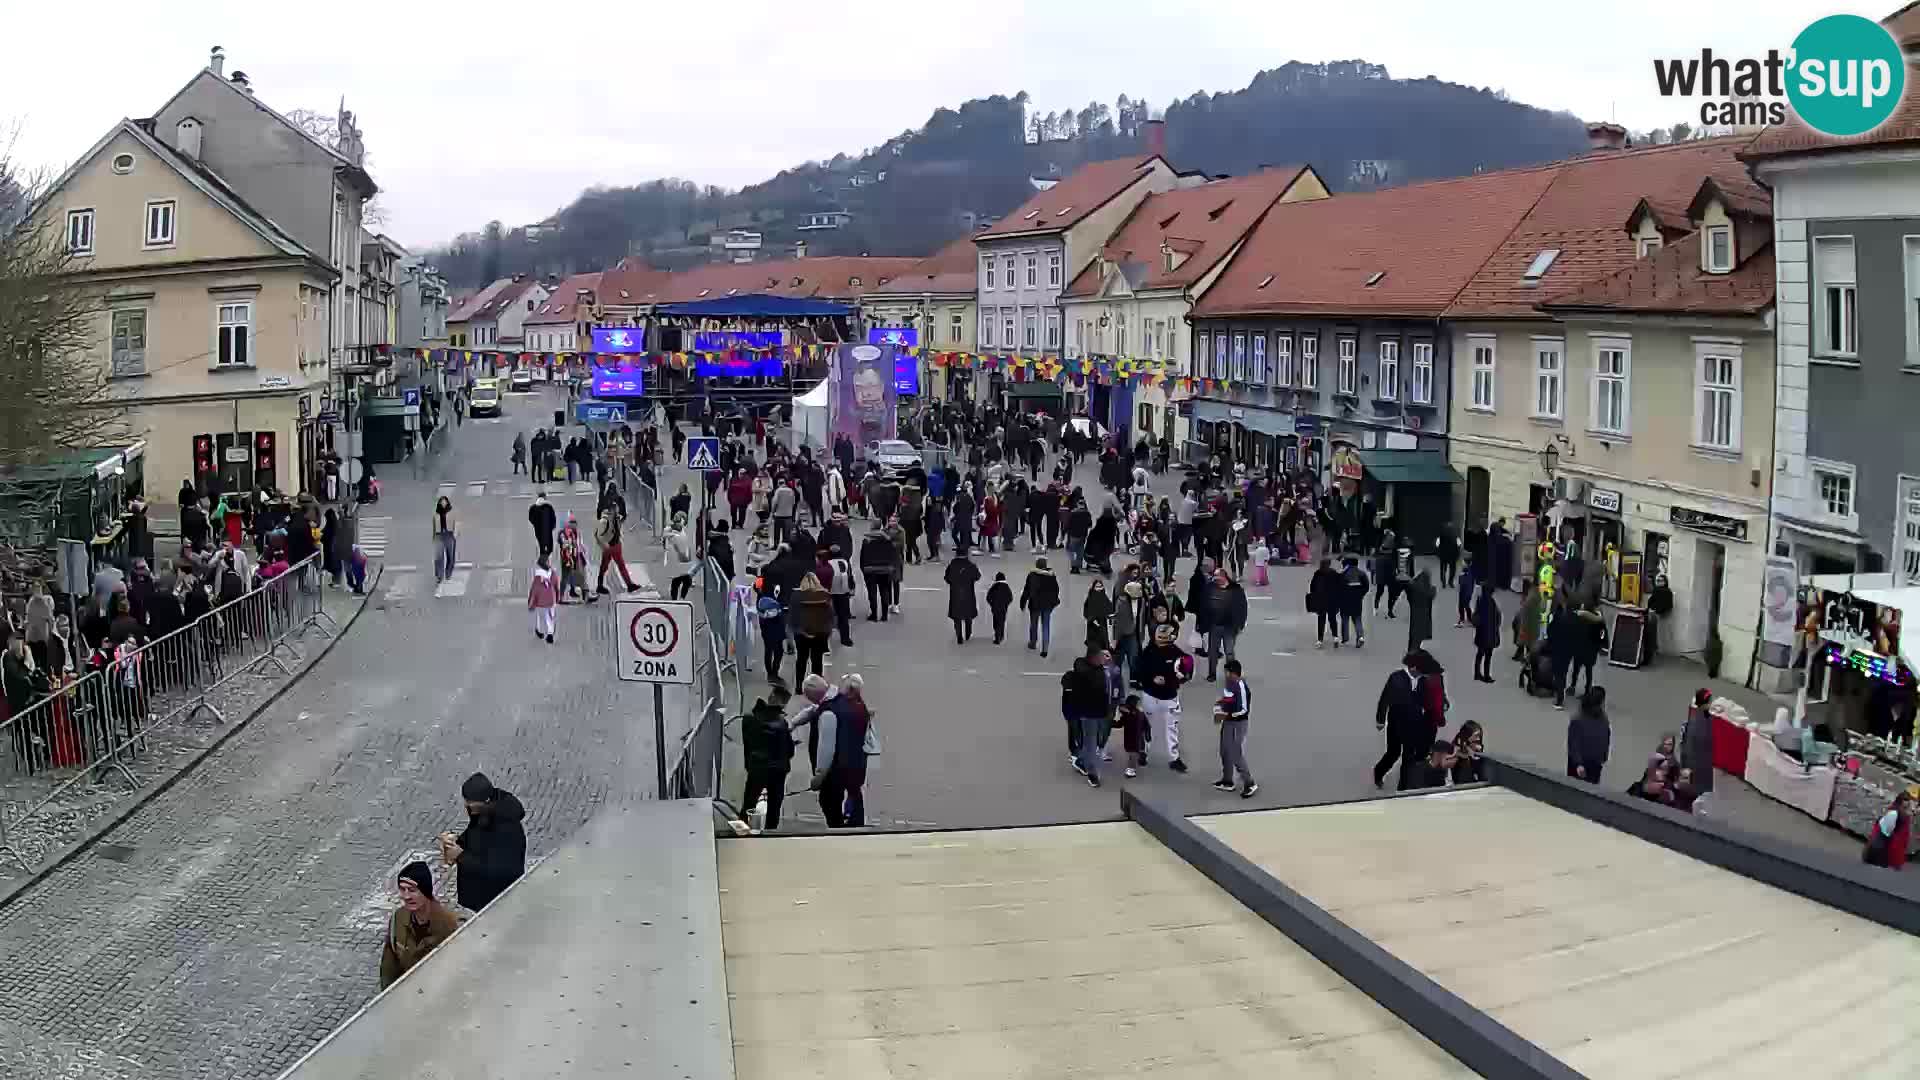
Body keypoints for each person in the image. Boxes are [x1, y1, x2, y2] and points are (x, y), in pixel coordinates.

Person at [440, 773, 526, 913]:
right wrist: (457, 841)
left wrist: (461, 856)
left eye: (470, 801)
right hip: (479, 898)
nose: (466, 804)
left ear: (484, 800)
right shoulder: (482, 812)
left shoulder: (507, 828)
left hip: (497, 902)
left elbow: (500, 870)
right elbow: (474, 836)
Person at [379, 861, 462, 989]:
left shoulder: (448, 927)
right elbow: (389, 965)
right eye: (402, 889)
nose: (406, 896)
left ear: (425, 891)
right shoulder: (398, 918)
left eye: (412, 890)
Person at [801, 673, 868, 828]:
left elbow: (827, 751)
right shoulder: (849, 702)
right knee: (855, 798)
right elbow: (813, 709)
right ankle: (857, 829)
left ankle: (839, 832)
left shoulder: (827, 714)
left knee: (830, 804)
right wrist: (795, 722)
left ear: (812, 697)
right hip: (856, 763)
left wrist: (818, 777)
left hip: (835, 773)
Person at [1135, 621, 1192, 772]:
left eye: (1163, 636)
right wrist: (1151, 679)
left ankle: (1174, 759)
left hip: (1169, 697)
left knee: (1171, 728)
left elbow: (1186, 672)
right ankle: (1143, 752)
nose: (1159, 639)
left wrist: (1176, 679)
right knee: (1146, 726)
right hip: (1150, 695)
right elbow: (1139, 672)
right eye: (1158, 636)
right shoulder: (1148, 652)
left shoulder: (1177, 654)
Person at [742, 685, 797, 832]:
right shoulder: (782, 723)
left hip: (756, 768)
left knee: (749, 802)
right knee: (774, 806)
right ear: (781, 702)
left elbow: (747, 744)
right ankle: (770, 834)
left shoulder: (749, 718)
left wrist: (749, 764)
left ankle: (743, 830)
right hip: (777, 771)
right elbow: (789, 751)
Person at [1373, 653, 1424, 790]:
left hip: (1413, 725)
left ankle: (1404, 786)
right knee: (1393, 753)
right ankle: (1378, 772)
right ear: (1412, 667)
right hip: (1396, 725)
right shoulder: (1396, 678)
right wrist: (1380, 720)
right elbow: (1385, 699)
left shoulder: (1422, 679)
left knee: (1409, 756)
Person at [1063, 645, 1111, 787]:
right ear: (1093, 658)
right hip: (1089, 713)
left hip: (1103, 712)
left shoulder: (1102, 670)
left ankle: (1081, 760)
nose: (1104, 659)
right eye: (1101, 656)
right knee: (1091, 743)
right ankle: (1093, 774)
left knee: (1099, 739)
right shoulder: (1088, 673)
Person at [1211, 658, 1258, 798]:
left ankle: (1249, 783)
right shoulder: (1229, 683)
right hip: (1228, 721)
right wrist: (1219, 707)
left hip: (1238, 723)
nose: (1225, 674)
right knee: (1224, 750)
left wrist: (1228, 713)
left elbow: (1244, 709)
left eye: (1227, 672)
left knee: (1235, 753)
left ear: (1234, 673)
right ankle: (1227, 781)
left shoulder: (1241, 686)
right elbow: (1228, 700)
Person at [1206, 567, 1248, 682]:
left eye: (1217, 576)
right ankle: (1212, 674)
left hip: (1230, 627)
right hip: (1215, 626)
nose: (1215, 579)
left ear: (1224, 577)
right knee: (1212, 652)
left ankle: (1231, 674)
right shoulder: (1211, 588)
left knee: (1229, 652)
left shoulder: (1236, 590)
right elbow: (1205, 605)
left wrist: (1241, 624)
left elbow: (1243, 608)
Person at [790, 573, 833, 680]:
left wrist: (795, 629)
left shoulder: (796, 596)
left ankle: (799, 686)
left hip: (802, 633)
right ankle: (816, 685)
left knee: (801, 659)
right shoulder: (825, 595)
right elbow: (830, 615)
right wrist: (828, 631)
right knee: (817, 659)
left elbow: (792, 615)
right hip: (820, 633)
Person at [1566, 685, 1611, 784]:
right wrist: (1604, 756)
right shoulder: (1603, 719)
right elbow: (1605, 739)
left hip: (1583, 762)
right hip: (1593, 762)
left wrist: (1578, 764)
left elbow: (1573, 743)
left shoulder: (1578, 718)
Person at [594, 503, 640, 594]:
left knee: (619, 565)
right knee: (605, 566)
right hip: (609, 546)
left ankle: (629, 584)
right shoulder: (604, 521)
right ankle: (600, 585)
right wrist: (604, 544)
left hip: (616, 545)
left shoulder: (617, 518)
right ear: (611, 510)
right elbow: (598, 535)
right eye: (616, 509)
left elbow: (618, 528)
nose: (618, 511)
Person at [1020, 557, 1061, 657]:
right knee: (1046, 625)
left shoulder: (1032, 575)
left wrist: (1023, 603)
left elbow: (1027, 590)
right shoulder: (1052, 576)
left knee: (1034, 624)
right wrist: (1054, 602)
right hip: (1047, 605)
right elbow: (1056, 590)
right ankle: (1045, 649)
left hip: (1035, 604)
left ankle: (1033, 643)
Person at [1679, 688, 1717, 796]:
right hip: (1699, 765)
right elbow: (1688, 748)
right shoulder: (1699, 724)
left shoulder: (1697, 718)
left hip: (1699, 763)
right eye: (1710, 701)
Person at [857, 523, 897, 622]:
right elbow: (892, 555)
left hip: (870, 570)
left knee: (872, 593)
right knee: (884, 592)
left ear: (872, 527)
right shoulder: (888, 540)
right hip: (884, 570)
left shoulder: (867, 541)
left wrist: (863, 569)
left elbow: (863, 557)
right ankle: (884, 615)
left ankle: (874, 614)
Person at [1863, 791, 1913, 870]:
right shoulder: (1894, 812)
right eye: (1905, 800)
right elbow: (1887, 828)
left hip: (1888, 837)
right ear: (1900, 800)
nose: (1907, 802)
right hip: (1884, 838)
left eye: (1908, 800)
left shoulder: (1901, 810)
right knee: (1879, 851)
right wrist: (1892, 835)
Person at [1569, 603, 1607, 698]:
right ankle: (1587, 690)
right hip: (1591, 649)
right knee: (1588, 670)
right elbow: (1602, 633)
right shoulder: (1598, 619)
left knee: (1576, 669)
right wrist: (1602, 645)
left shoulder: (1579, 616)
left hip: (1580, 647)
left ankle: (1573, 686)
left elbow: (1573, 630)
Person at [1308, 557, 1341, 648]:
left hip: (1321, 600)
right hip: (1332, 600)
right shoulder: (1334, 573)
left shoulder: (1318, 573)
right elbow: (1339, 587)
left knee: (1321, 620)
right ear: (1329, 564)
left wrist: (1313, 597)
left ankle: (1320, 640)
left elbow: (1312, 586)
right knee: (1332, 619)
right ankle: (1335, 637)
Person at [1339, 556, 1370, 647]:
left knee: (1345, 618)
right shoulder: (1362, 574)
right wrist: (1361, 594)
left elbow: (1339, 587)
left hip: (1345, 600)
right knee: (1357, 619)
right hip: (1357, 599)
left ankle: (1345, 638)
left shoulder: (1343, 574)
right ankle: (1360, 637)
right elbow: (1366, 586)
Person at [528, 553, 558, 644]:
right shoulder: (553, 574)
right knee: (550, 617)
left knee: (540, 617)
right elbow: (556, 586)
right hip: (551, 600)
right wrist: (557, 597)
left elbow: (534, 591)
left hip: (540, 602)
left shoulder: (537, 578)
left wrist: (531, 602)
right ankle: (550, 633)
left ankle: (539, 630)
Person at [1403, 569, 1435, 653]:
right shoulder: (1430, 590)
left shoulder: (1414, 589)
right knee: (1420, 634)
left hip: (1415, 615)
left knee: (1413, 635)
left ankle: (1412, 651)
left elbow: (1409, 587)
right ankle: (1415, 649)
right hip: (1425, 617)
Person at [430, 496, 458, 584]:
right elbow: (434, 526)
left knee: (451, 557)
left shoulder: (452, 512)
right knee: (438, 557)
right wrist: (434, 537)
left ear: (447, 503)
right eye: (441, 502)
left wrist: (455, 534)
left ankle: (448, 573)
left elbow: (456, 523)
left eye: (444, 502)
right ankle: (439, 576)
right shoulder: (436, 513)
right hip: (439, 535)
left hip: (449, 535)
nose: (443, 503)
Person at [1083, 578, 1113, 651]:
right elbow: (1086, 611)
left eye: (1100, 586)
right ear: (1093, 587)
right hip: (1094, 627)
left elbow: (1109, 607)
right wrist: (1093, 621)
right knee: (1095, 646)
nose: (1099, 589)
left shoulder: (1103, 596)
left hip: (1102, 624)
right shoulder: (1091, 598)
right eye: (1097, 587)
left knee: (1103, 644)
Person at [527, 488, 557, 560]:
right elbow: (553, 518)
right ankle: (545, 559)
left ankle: (543, 558)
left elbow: (530, 518)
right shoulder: (549, 506)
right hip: (547, 529)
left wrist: (535, 524)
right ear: (544, 497)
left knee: (541, 544)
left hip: (538, 530)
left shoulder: (533, 507)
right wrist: (552, 526)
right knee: (549, 545)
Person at [986, 572, 1014, 645]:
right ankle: (1001, 636)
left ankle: (997, 636)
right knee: (1002, 621)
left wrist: (992, 604)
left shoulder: (994, 587)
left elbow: (988, 597)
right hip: (1003, 608)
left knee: (996, 622)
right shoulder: (1006, 587)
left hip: (995, 608)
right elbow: (1010, 598)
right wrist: (1006, 604)